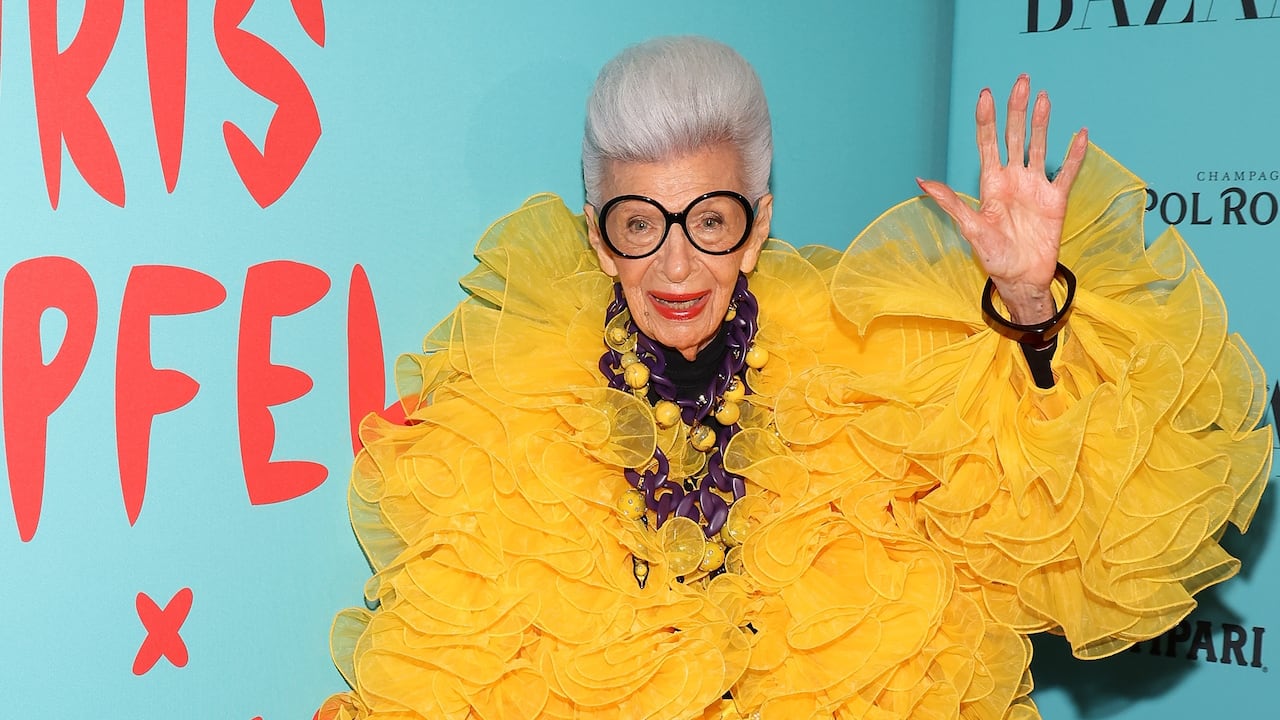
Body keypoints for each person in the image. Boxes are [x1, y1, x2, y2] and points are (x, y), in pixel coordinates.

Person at [316, 37, 1270, 719]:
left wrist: (1028, 303)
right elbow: (457, 657)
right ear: (600, 239)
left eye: (712, 218)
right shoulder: (516, 398)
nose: (677, 265)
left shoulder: (861, 362)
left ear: (760, 222)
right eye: (639, 223)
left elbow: (1067, 501)